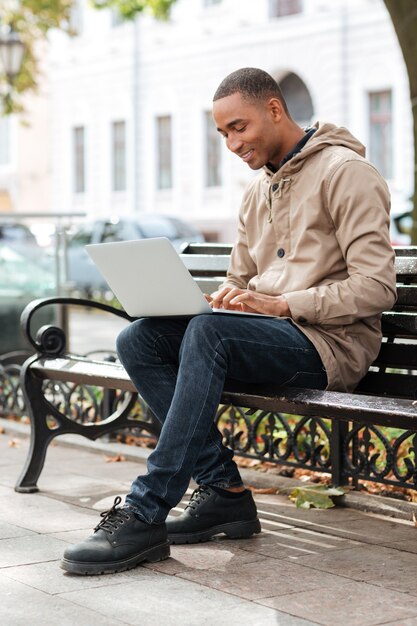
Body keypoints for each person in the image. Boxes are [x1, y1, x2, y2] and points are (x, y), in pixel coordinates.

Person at [61, 67, 396, 575]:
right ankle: (223, 491)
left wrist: (284, 304)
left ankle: (146, 510)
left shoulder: (345, 172)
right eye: (223, 133)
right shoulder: (256, 192)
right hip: (262, 337)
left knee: (208, 332)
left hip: (330, 345)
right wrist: (219, 297)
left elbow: (377, 287)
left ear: (275, 110)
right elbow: (240, 281)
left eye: (239, 127)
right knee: (140, 340)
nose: (232, 143)